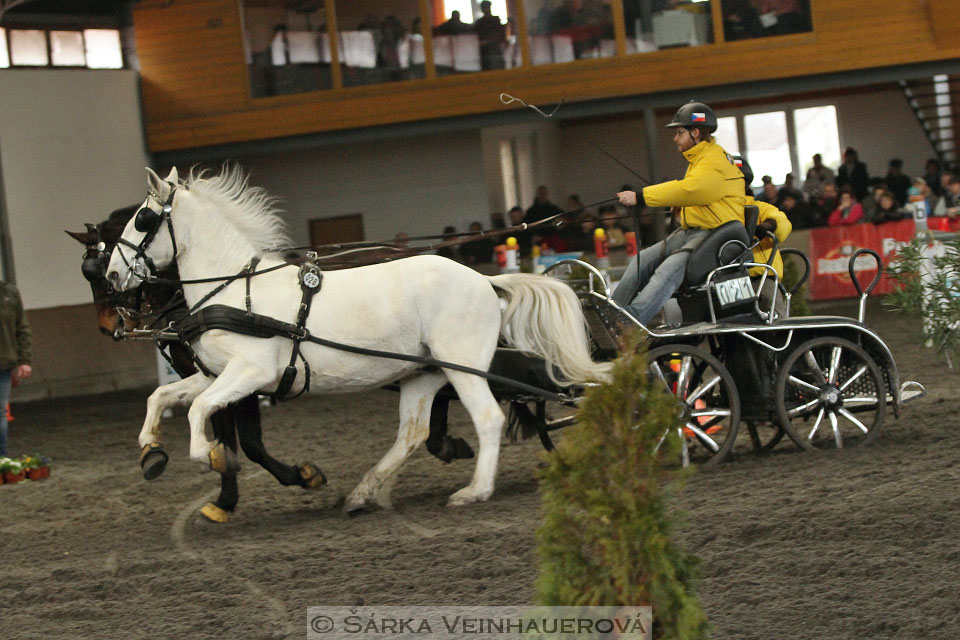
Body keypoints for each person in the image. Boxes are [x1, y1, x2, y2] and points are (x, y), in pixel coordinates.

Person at [613, 101, 746, 325]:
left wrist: (641, 197)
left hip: (715, 235)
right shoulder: (700, 159)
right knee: (642, 260)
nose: (675, 138)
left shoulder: (713, 160)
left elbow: (693, 190)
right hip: (693, 232)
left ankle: (631, 323)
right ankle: (613, 313)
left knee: (668, 270)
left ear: (695, 132)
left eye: (679, 133)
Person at [0, 279, 32, 457]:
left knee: (1, 414)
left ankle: (1, 458)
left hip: (3, 363)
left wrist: (24, 360)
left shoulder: (10, 293)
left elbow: (22, 328)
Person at [474, 0, 507, 70]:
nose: (486, 9)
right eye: (484, 8)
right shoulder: (479, 23)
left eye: (487, 7)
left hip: (496, 50)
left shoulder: (495, 20)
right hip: (485, 52)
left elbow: (501, 34)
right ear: (482, 9)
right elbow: (478, 38)